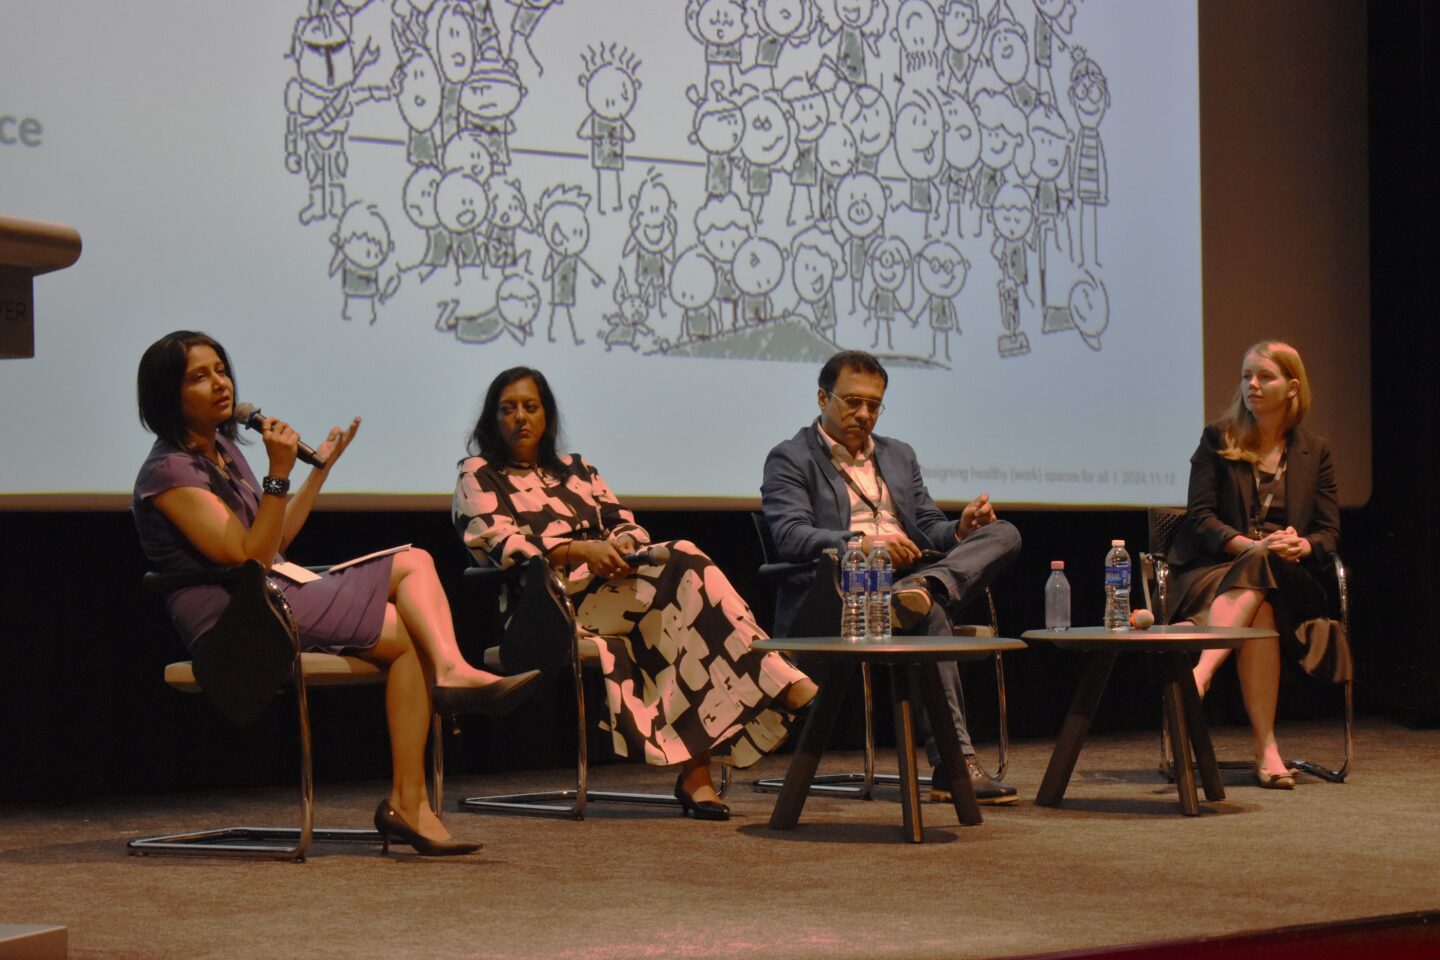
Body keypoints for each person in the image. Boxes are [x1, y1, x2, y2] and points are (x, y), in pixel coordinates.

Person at [133, 331, 540, 857]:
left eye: (221, 370)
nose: (220, 383)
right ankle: (449, 684)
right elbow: (248, 558)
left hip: (273, 595)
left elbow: (275, 540)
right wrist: (278, 473)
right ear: (168, 395)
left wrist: (315, 472)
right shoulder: (169, 471)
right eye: (198, 376)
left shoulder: (224, 451)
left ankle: (411, 797)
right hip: (235, 623)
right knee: (414, 569)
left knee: (412, 616)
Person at [453, 367, 819, 822]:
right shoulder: (478, 473)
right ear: (493, 419)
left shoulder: (577, 469)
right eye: (508, 409)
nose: (521, 417)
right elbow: (497, 543)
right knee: (684, 561)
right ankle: (777, 678)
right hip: (544, 608)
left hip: (614, 593)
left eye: (531, 407)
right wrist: (580, 551)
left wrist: (622, 548)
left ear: (547, 416)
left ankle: (697, 775)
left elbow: (624, 522)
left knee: (683, 620)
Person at [761, 350, 1021, 804]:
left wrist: (961, 530)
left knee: (1005, 533)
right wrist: (861, 544)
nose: (864, 414)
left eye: (874, 405)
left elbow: (929, 527)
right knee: (930, 615)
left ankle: (925, 587)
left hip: (910, 578)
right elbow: (790, 536)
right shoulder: (791, 458)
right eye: (852, 402)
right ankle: (955, 766)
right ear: (823, 398)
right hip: (844, 594)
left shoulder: (899, 454)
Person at [1166, 340, 1348, 790]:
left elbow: (1328, 534)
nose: (1252, 385)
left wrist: (1300, 546)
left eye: (1265, 376)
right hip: (1217, 572)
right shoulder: (1218, 439)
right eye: (1247, 376)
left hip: (1292, 581)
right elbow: (1200, 519)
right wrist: (1252, 546)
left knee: (1265, 575)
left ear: (1292, 387)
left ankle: (1200, 674)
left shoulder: (1315, 451)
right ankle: (1266, 749)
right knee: (1259, 608)